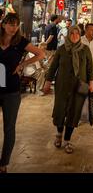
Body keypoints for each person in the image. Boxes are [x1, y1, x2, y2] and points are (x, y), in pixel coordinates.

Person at [0, 13, 44, 173]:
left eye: (16, 25)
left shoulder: (20, 42)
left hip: (11, 90)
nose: (13, 28)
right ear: (3, 24)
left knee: (9, 128)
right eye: (10, 24)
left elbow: (41, 53)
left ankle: (3, 163)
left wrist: (22, 64)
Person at [43, 25, 93, 154]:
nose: (75, 36)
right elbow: (53, 67)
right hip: (62, 86)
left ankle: (67, 140)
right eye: (72, 34)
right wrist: (47, 82)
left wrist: (91, 84)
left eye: (77, 34)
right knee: (60, 110)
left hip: (78, 87)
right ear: (68, 35)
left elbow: (89, 69)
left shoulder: (85, 49)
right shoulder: (62, 49)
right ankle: (59, 134)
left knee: (73, 112)